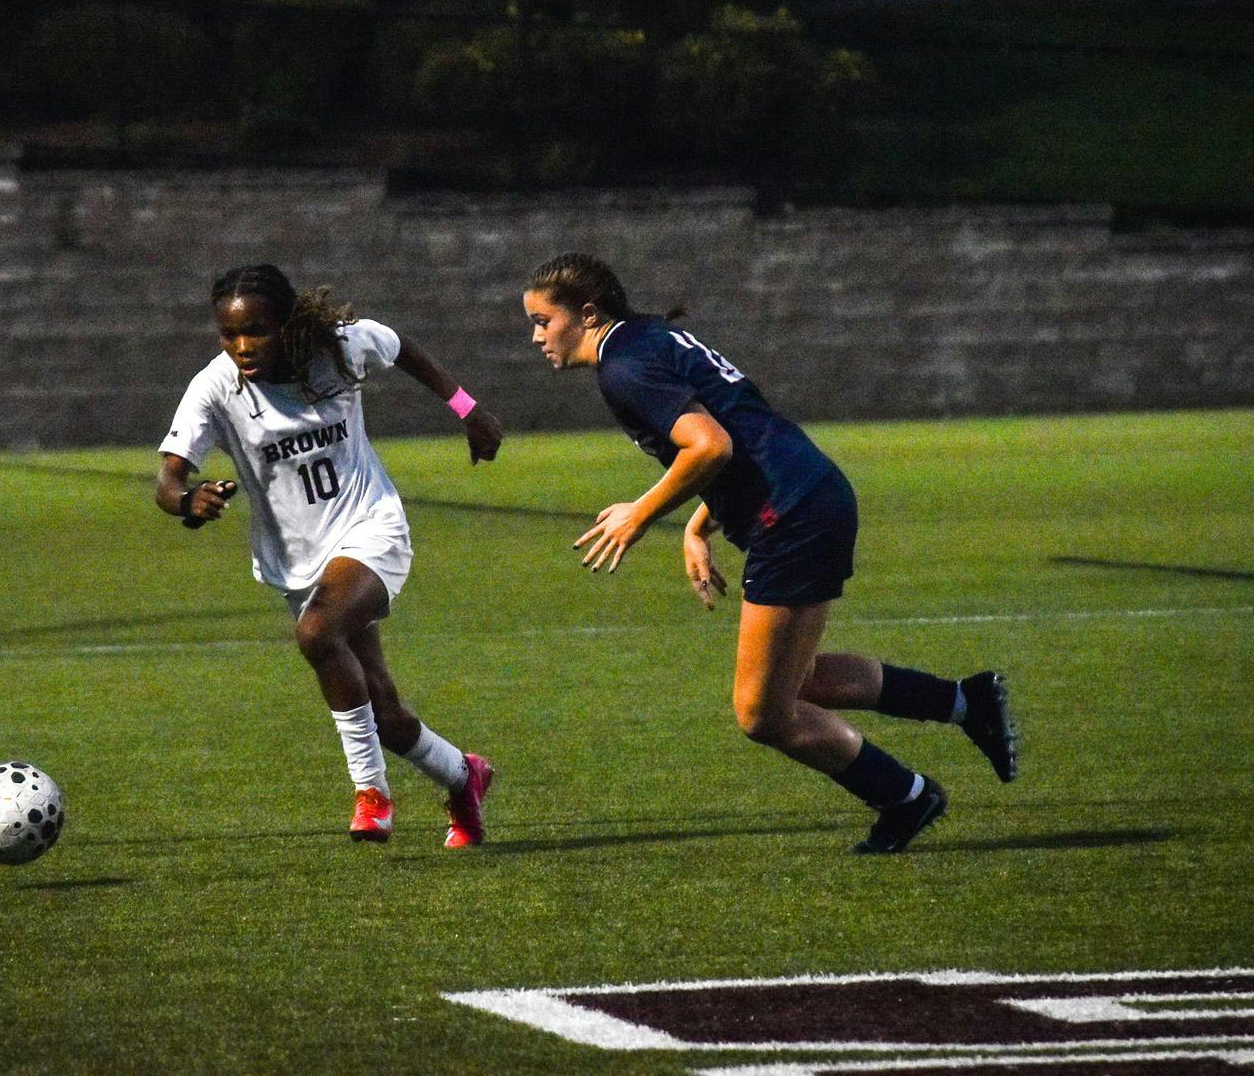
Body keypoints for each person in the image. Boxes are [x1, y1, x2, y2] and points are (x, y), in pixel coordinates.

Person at [521, 252, 1017, 854]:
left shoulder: (624, 368)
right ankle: (968, 702)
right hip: (811, 492)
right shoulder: (651, 339)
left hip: (794, 515)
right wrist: (698, 527)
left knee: (762, 712)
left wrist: (640, 515)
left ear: (588, 314)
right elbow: (744, 430)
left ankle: (906, 795)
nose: (537, 335)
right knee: (796, 679)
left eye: (544, 321)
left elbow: (709, 446)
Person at [159, 264, 502, 846]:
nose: (242, 346)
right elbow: (167, 482)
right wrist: (188, 500)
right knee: (384, 714)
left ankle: (372, 793)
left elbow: (403, 348)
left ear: (288, 323)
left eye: (258, 331)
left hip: (372, 529)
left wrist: (469, 410)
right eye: (229, 334)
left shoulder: (340, 349)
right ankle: (463, 776)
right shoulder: (216, 387)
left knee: (318, 633)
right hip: (297, 562)